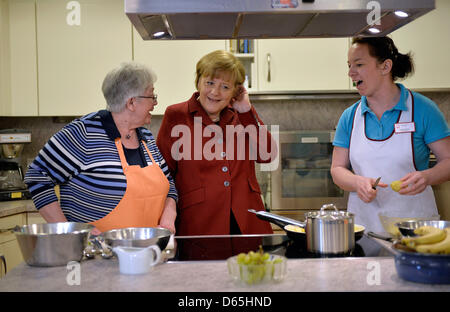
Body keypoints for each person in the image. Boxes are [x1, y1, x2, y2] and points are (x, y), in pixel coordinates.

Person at [24, 62, 178, 234]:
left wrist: (169, 215)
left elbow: (169, 184)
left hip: (148, 251)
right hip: (94, 254)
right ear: (132, 103)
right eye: (152, 96)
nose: (156, 102)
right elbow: (37, 176)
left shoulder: (145, 137)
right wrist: (70, 232)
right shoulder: (82, 133)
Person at [331, 36, 450, 233]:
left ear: (385, 67)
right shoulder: (349, 117)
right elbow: (337, 169)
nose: (351, 73)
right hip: (364, 229)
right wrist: (356, 182)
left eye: (359, 64)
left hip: (415, 229)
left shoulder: (423, 109)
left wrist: (427, 177)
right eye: (349, 65)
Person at [156, 50, 276, 235]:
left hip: (248, 222)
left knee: (252, 265)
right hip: (199, 222)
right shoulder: (176, 115)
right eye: (209, 83)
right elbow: (163, 174)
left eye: (225, 87)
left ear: (235, 92)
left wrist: (246, 110)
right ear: (198, 82)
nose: (215, 92)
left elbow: (267, 155)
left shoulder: (242, 115)